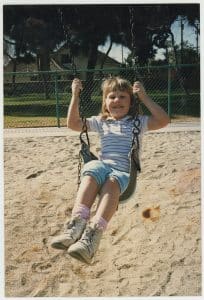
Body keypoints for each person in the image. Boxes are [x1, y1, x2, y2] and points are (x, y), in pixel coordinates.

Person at [51, 76, 170, 264]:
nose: (117, 100)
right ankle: (75, 225)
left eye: (123, 96)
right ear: (105, 102)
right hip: (102, 166)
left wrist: (145, 98)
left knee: (112, 182)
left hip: (123, 173)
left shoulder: (137, 122)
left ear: (131, 102)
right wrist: (75, 95)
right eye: (112, 96)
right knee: (91, 169)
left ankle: (92, 237)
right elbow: (73, 124)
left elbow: (163, 120)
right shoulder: (101, 122)